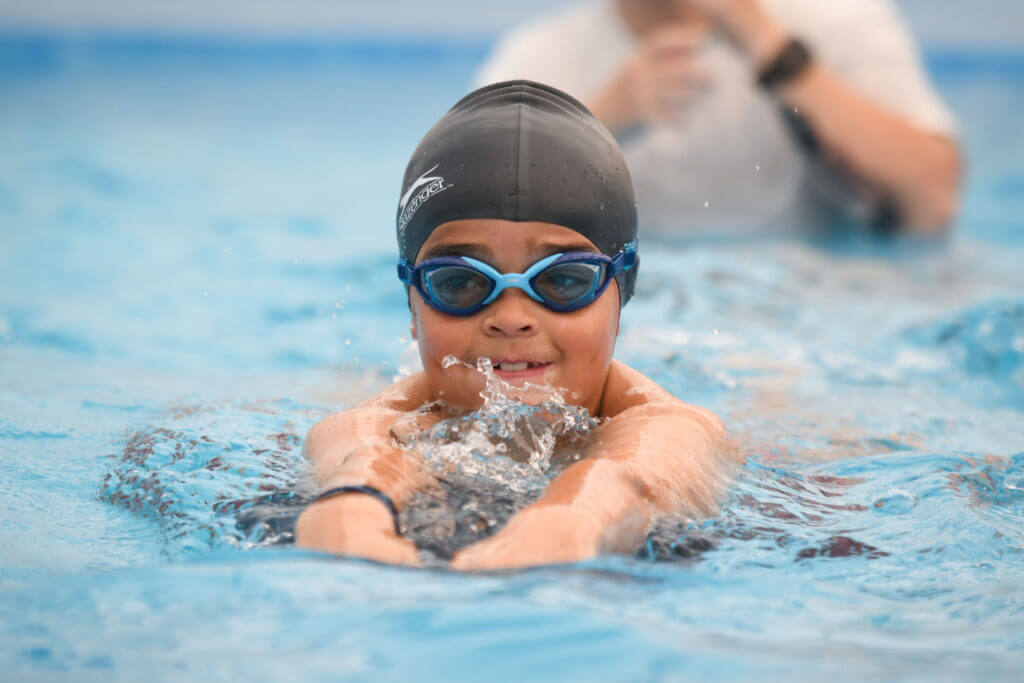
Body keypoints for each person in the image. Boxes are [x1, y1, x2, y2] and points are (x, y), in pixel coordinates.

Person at [294, 80, 738, 570]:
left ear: (622, 290)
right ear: (412, 302)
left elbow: (630, 478)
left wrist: (567, 522)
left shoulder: (673, 426)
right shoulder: (371, 426)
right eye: (460, 282)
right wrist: (351, 506)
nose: (510, 319)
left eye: (563, 280)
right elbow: (358, 462)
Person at [476, 0, 962, 236]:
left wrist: (774, 53)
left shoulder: (835, 22)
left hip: (826, 303)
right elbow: (463, 230)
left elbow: (934, 197)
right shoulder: (538, 58)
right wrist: (594, 124)